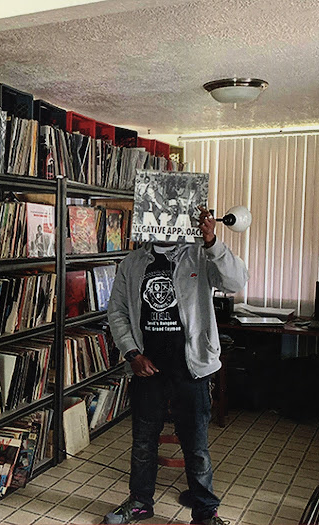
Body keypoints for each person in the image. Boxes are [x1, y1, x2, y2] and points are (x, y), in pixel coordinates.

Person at [104, 206, 249, 525]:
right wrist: (131, 353)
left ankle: (205, 512)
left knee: (196, 445)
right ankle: (140, 502)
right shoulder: (132, 262)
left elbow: (236, 281)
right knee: (143, 442)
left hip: (191, 367)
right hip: (147, 368)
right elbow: (117, 312)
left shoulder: (200, 254)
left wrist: (212, 242)